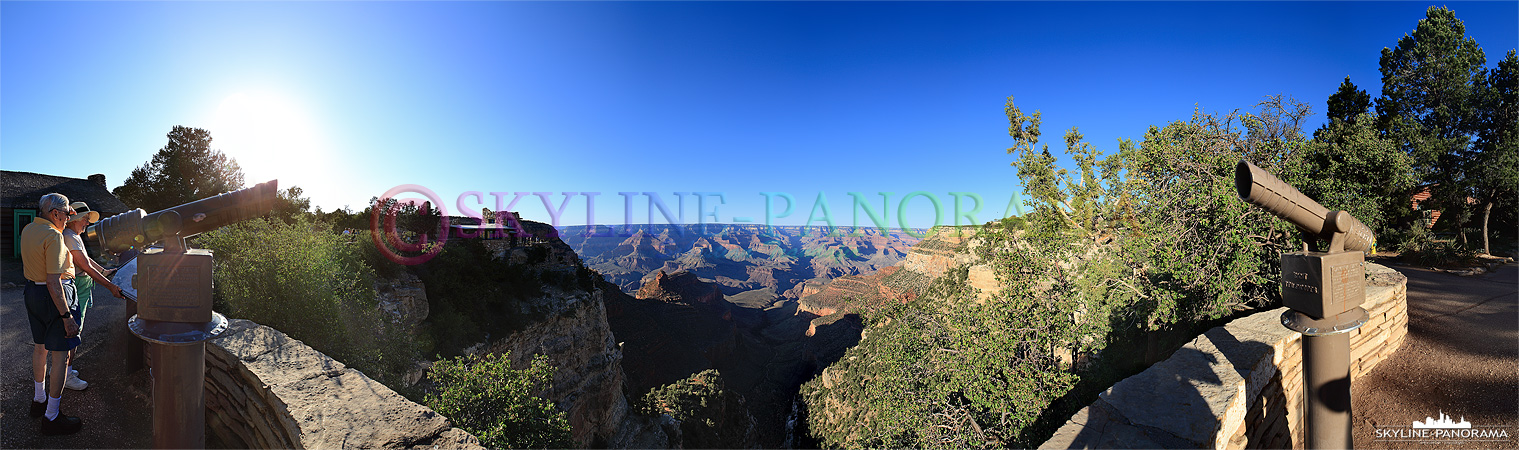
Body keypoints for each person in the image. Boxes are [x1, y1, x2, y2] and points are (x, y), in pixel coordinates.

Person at [21, 193, 83, 435]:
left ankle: (39, 401)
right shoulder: (54, 237)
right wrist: (67, 317)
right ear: (55, 213)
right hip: (53, 296)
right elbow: (53, 281)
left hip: (31, 293)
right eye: (68, 213)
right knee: (60, 356)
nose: (69, 218)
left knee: (40, 347)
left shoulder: (28, 230)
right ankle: (52, 415)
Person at [60, 201, 127, 391]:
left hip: (81, 284)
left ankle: (64, 369)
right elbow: (85, 266)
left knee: (75, 327)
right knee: (74, 329)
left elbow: (87, 260)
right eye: (85, 219)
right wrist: (110, 287)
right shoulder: (70, 236)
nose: (87, 223)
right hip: (77, 285)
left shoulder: (74, 235)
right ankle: (65, 375)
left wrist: (104, 270)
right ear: (76, 219)